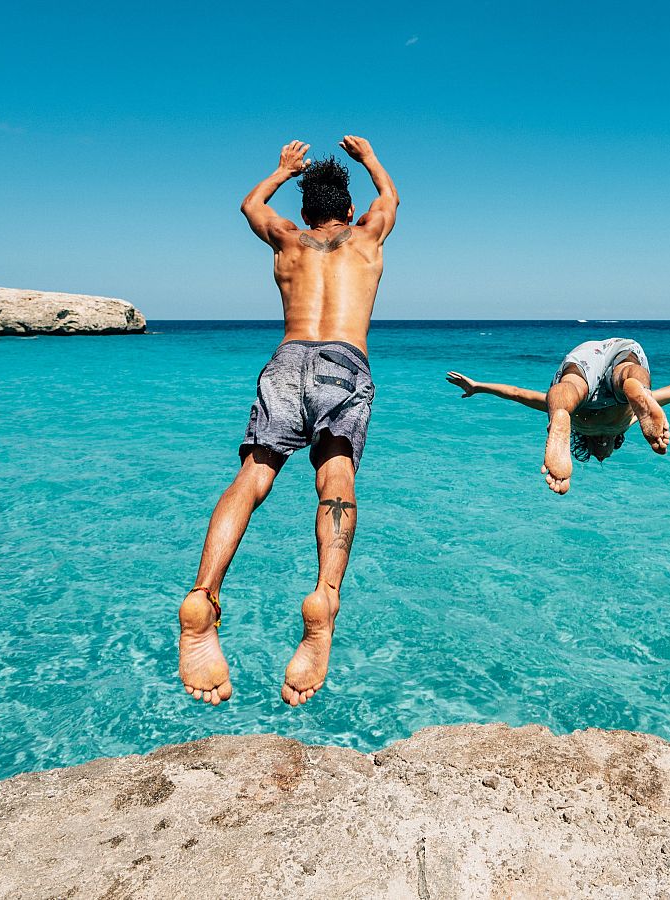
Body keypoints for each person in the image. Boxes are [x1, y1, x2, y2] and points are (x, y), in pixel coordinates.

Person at [178, 135, 398, 707]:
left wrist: (281, 170)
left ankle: (204, 595)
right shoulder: (367, 234)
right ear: (348, 211)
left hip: (286, 359)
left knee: (253, 477)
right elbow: (391, 198)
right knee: (336, 479)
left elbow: (250, 206)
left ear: (304, 213)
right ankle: (325, 595)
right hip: (344, 363)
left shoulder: (287, 239)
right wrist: (370, 160)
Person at [446, 340, 670, 494]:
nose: (603, 456)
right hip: (609, 363)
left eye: (599, 457)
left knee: (571, 392)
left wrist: (479, 387)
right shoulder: (627, 419)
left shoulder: (626, 419)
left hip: (591, 360)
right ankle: (628, 390)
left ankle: (570, 412)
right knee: (611, 385)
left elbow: (515, 393)